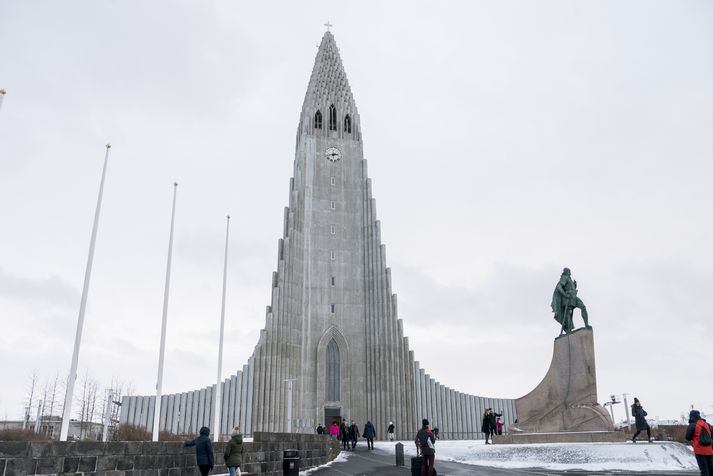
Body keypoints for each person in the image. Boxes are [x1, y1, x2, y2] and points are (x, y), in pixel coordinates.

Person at [551, 267, 589, 334]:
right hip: (568, 297)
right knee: (568, 313)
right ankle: (568, 329)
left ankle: (586, 324)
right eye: (569, 271)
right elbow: (559, 287)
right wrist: (565, 294)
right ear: (566, 272)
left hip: (573, 296)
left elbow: (569, 287)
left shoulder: (569, 279)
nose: (570, 273)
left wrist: (574, 286)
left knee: (583, 307)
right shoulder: (564, 277)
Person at [686, 409, 713, 476]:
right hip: (710, 451)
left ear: (691, 416)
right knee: (711, 469)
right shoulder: (707, 424)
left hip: (699, 451)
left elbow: (688, 437)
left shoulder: (693, 425)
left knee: (704, 470)